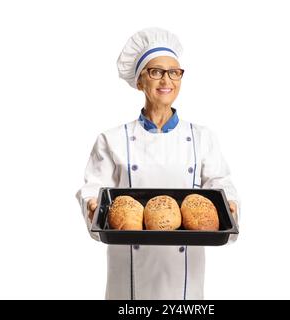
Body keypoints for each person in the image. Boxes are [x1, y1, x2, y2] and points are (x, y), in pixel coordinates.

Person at [76, 27, 240, 300]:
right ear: (140, 81)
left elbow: (221, 185)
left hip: (184, 284)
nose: (167, 79)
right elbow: (92, 189)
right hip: (129, 284)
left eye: (174, 72)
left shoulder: (202, 137)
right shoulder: (112, 139)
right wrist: (92, 206)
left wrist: (230, 205)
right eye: (156, 72)